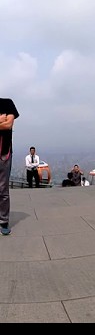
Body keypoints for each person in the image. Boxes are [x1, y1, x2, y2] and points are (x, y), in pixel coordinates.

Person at [0, 98, 19, 236]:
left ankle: (3, 221)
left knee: (2, 188)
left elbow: (8, 125)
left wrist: (5, 122)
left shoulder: (7, 103)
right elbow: (4, 124)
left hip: (3, 153)